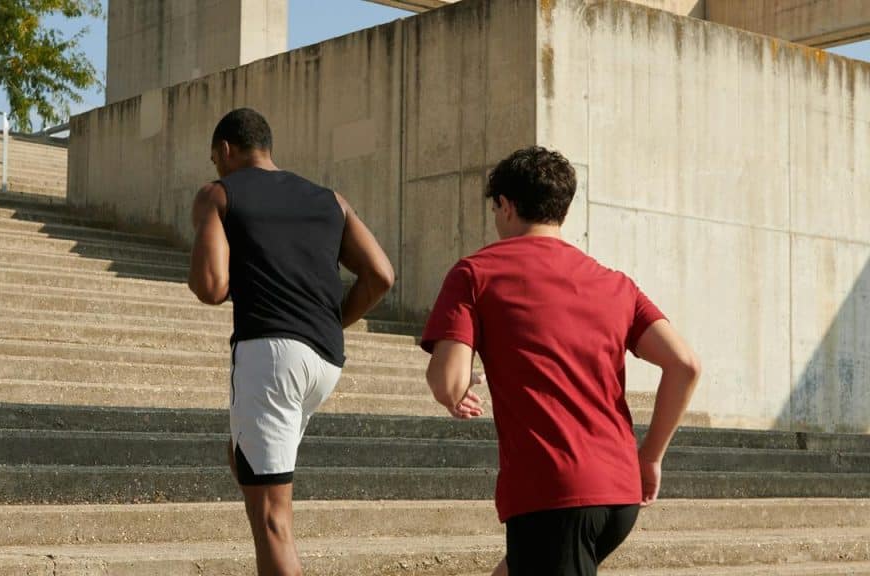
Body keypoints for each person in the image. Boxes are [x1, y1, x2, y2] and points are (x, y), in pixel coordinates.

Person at [420, 146, 701, 576]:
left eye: (496, 208)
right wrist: (651, 457)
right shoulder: (615, 283)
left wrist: (456, 392)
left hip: (554, 493)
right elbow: (684, 364)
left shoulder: (475, 273)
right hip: (619, 491)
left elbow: (446, 381)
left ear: (506, 205)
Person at [189, 108, 395, 576]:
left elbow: (211, 288)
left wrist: (206, 224)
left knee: (272, 518)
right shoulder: (331, 200)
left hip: (271, 355)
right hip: (324, 360)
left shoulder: (218, 194)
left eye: (215, 159)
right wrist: (329, 320)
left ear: (225, 151)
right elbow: (381, 274)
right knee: (245, 462)